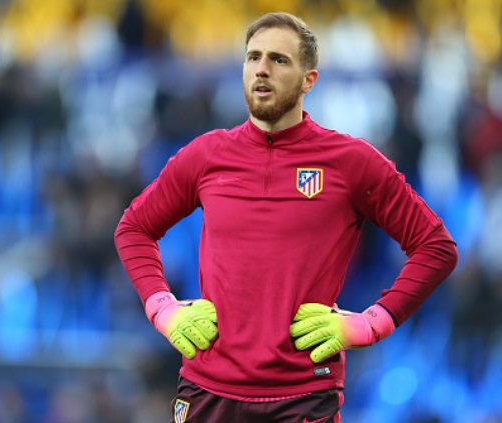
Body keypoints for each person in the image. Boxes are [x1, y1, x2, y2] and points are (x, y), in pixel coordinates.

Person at [114, 12, 457, 423]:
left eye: (278, 59)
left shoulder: (351, 163)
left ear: (309, 80)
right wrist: (163, 309)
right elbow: (134, 228)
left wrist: (372, 323)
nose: (261, 68)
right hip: (208, 390)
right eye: (253, 57)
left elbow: (436, 247)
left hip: (303, 396)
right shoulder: (206, 156)